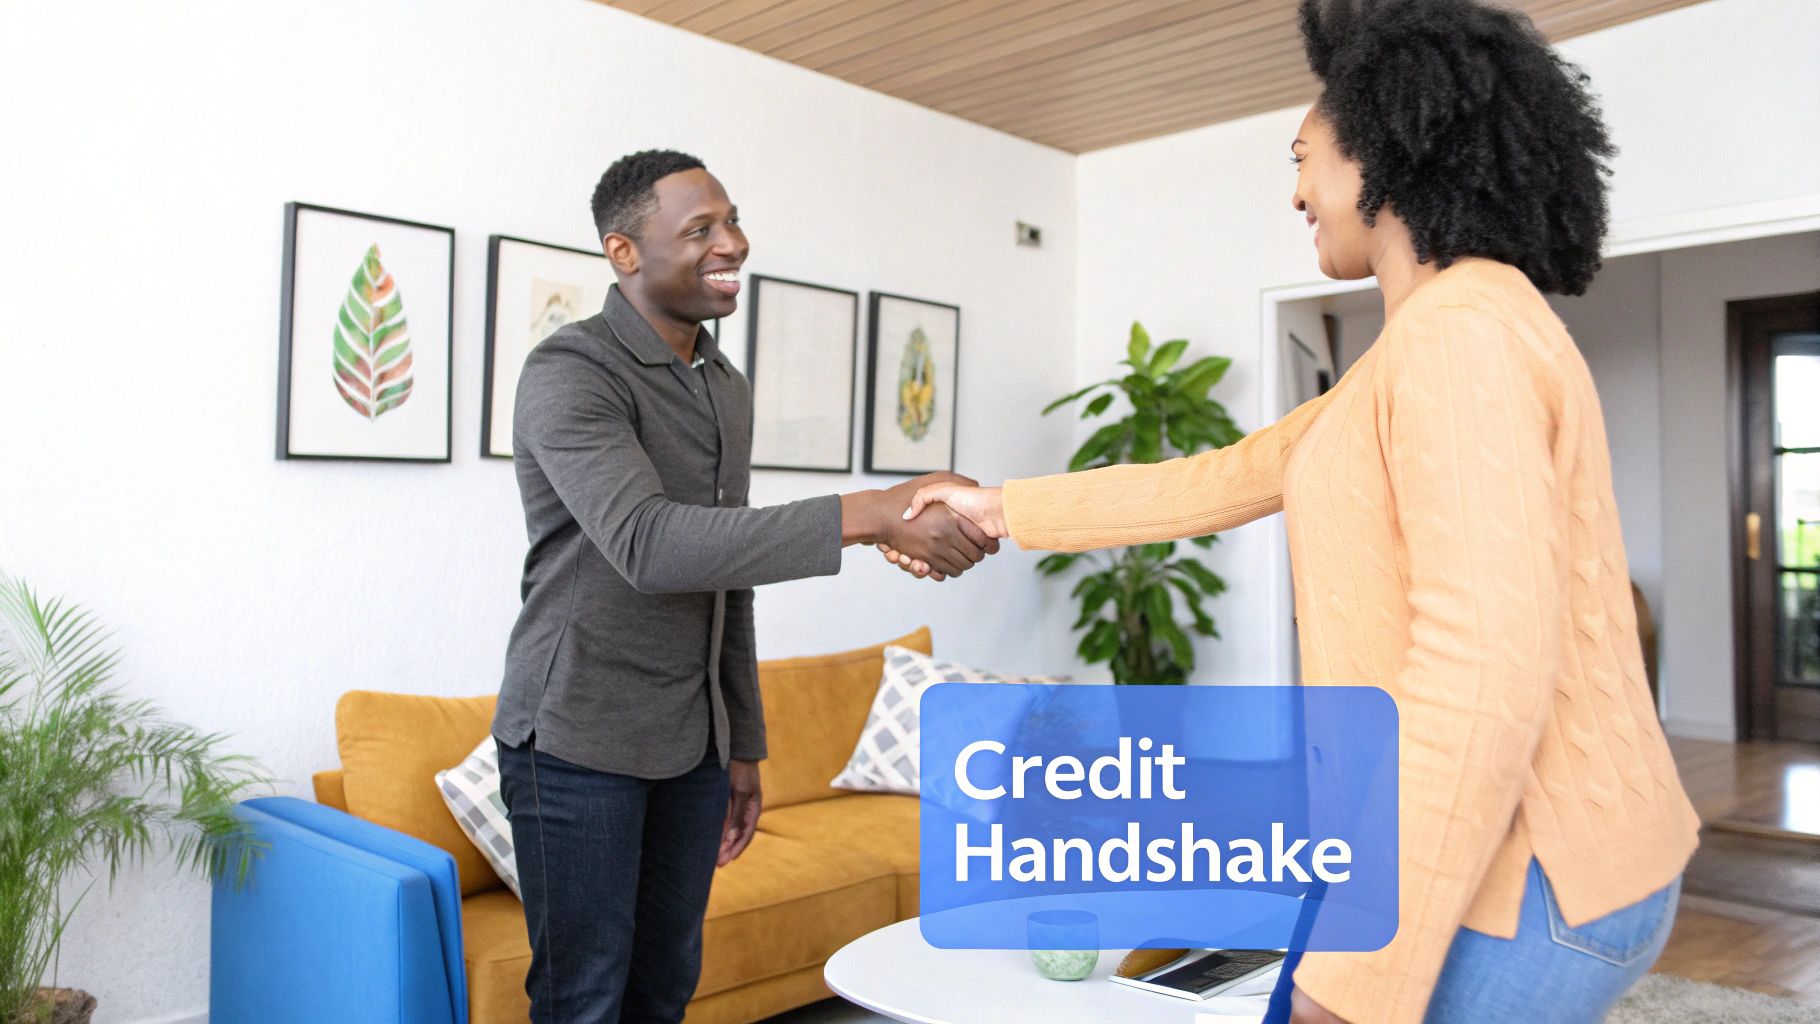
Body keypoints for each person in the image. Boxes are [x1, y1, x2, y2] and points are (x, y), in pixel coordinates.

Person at [885, 1, 1700, 1020]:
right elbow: (1223, 475)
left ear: (1383, 153)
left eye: (1301, 158)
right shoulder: (1424, 343)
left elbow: (1481, 671)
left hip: (1530, 872)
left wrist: (1352, 979)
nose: (1296, 194)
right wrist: (998, 507)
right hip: (1495, 846)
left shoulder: (1459, 338)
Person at [494, 149, 995, 1024]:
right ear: (624, 253)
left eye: (731, 220)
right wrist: (871, 510)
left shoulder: (722, 384)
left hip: (692, 744)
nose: (734, 242)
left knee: (663, 990)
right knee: (584, 998)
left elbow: (729, 571)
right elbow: (650, 546)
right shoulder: (569, 372)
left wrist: (744, 741)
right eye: (701, 230)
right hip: (576, 738)